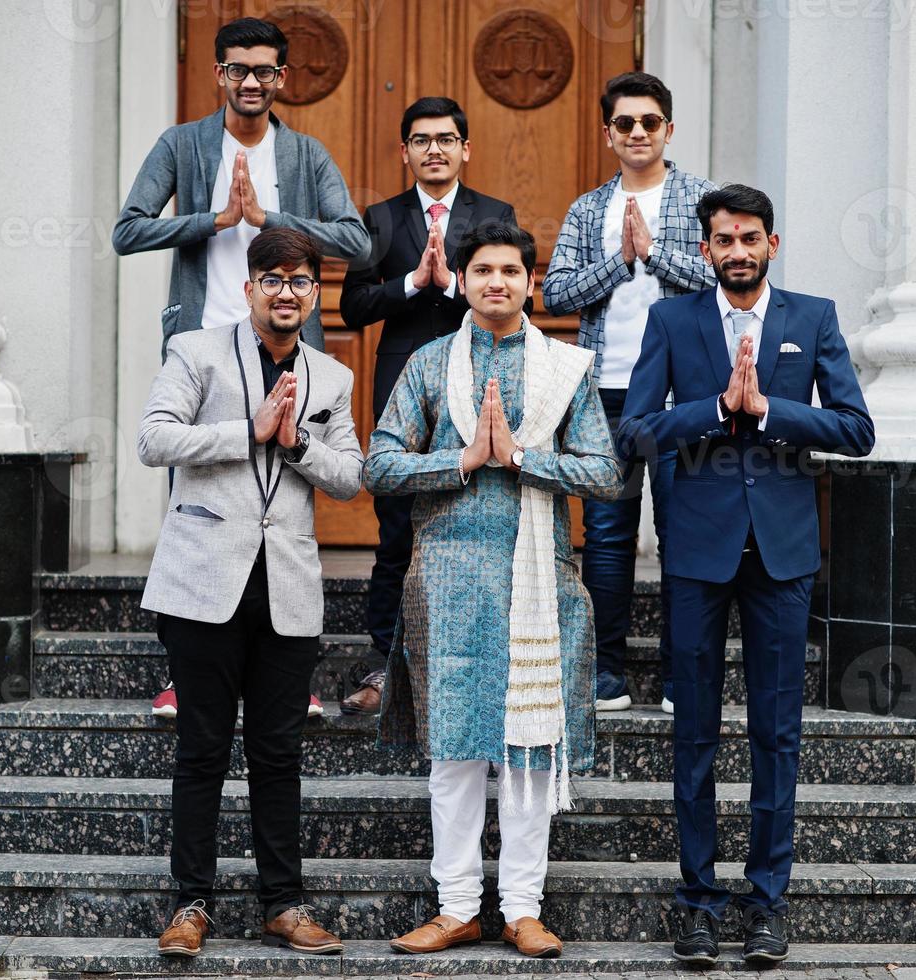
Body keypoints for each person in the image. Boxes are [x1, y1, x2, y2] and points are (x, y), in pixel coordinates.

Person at [617, 185, 874, 967]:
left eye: (749, 238)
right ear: (703, 250)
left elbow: (856, 429)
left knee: (776, 733)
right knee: (691, 732)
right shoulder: (672, 320)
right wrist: (710, 410)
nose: (736, 250)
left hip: (783, 554)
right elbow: (632, 433)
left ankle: (767, 901)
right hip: (696, 554)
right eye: (722, 239)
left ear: (772, 243)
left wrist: (767, 413)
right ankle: (695, 900)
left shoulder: (812, 317)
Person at [366, 223, 623, 959]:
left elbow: (604, 474)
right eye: (482, 270)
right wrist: (461, 459)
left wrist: (520, 459)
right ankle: (453, 907)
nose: (496, 282)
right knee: (452, 752)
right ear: (463, 280)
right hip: (446, 581)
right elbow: (379, 466)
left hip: (538, 580)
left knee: (528, 753)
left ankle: (520, 908)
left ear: (530, 282)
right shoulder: (427, 364)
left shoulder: (565, 370)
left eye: (510, 270)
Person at [111, 16, 368, 717]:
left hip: (285, 346)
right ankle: (183, 676)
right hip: (203, 346)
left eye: (263, 71)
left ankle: (290, 674)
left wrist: (271, 219)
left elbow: (356, 240)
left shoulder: (307, 154)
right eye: (236, 69)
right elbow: (128, 229)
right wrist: (214, 221)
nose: (250, 81)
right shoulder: (183, 144)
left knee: (289, 495)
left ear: (281, 79)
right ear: (218, 75)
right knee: (192, 503)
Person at [139, 228, 363, 959]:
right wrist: (249, 430)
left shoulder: (332, 378)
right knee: (201, 750)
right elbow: (154, 440)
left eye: (301, 281)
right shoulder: (196, 352)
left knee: (278, 754)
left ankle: (284, 904)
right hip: (202, 581)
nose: (287, 293)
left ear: (314, 293)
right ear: (250, 288)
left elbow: (349, 476)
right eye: (273, 279)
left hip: (287, 588)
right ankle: (190, 905)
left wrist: (296, 443)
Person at [338, 96, 523, 715]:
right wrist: (414, 282)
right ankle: (382, 663)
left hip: (478, 379)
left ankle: (474, 658)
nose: (434, 149)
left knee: (474, 517)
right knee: (396, 526)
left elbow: (508, 293)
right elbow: (353, 306)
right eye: (421, 140)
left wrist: (449, 284)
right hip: (403, 382)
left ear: (465, 148)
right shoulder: (382, 218)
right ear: (405, 151)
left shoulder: (494, 213)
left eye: (446, 139)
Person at [543, 72, 716, 717]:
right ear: (608, 132)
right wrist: (619, 262)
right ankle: (606, 675)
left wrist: (657, 256)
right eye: (625, 124)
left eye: (650, 122)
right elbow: (554, 293)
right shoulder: (590, 208)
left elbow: (726, 276)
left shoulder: (703, 199)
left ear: (668, 129)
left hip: (683, 398)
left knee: (683, 538)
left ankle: (680, 679)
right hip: (604, 393)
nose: (638, 133)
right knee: (609, 539)